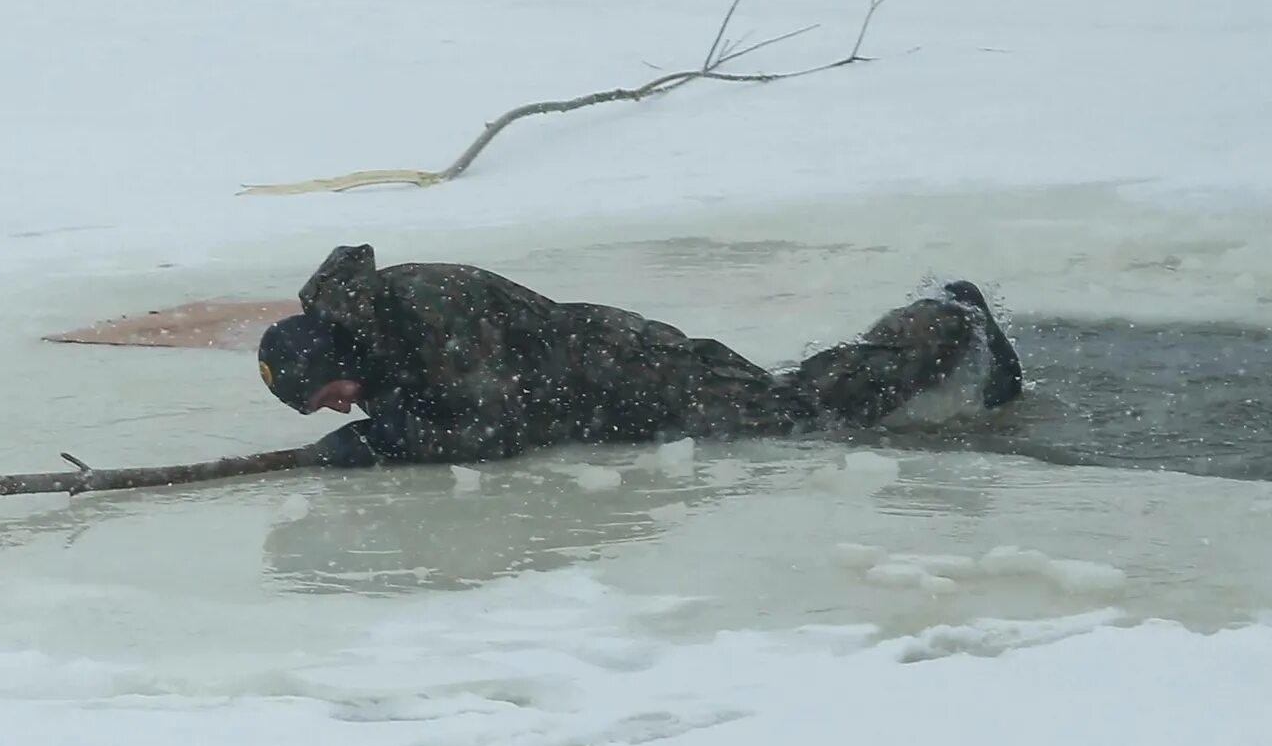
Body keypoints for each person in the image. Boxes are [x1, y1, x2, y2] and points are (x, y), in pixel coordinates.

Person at [254, 244, 1024, 467]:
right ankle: (926, 328)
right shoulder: (375, 338)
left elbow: (500, 422)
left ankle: (945, 320)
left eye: (332, 396)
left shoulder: (430, 305)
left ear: (334, 356)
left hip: (632, 374)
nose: (344, 405)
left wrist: (393, 440)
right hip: (593, 397)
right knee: (795, 394)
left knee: (802, 411)